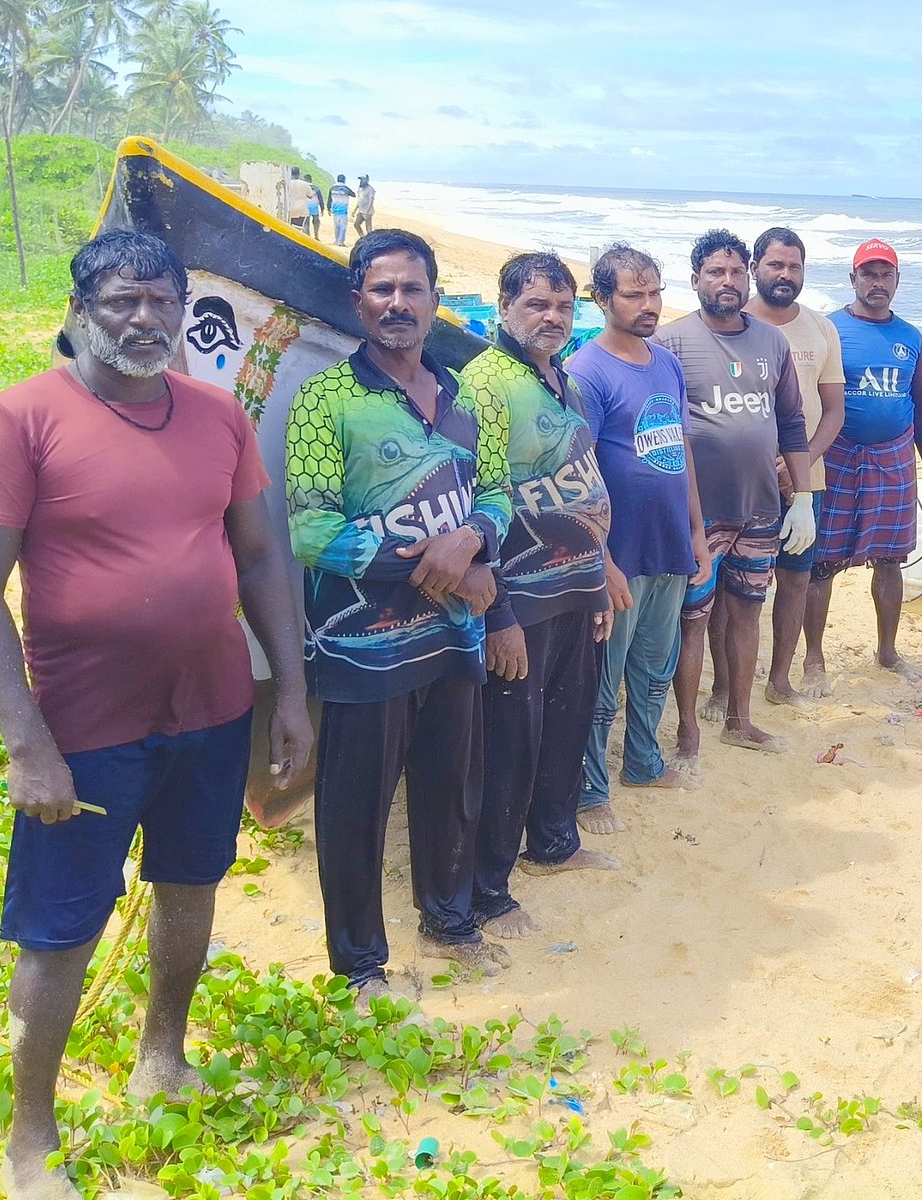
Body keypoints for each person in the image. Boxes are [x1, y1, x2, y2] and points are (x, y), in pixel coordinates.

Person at [0, 229, 313, 1200]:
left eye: (161, 302)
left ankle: (164, 1059)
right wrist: (28, 748)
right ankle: (31, 1142)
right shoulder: (19, 421)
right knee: (60, 931)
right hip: (84, 731)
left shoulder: (217, 417)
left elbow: (260, 559)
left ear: (183, 311)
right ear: (79, 311)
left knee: (192, 885)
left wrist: (290, 694)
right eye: (121, 301)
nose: (144, 319)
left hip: (212, 710)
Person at [287, 228, 513, 997]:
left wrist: (473, 540)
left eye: (412, 289)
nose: (397, 303)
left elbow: (496, 493)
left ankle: (448, 921)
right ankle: (359, 966)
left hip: (454, 637)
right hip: (363, 646)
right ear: (358, 302)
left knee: (451, 788)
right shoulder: (327, 400)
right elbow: (312, 532)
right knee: (354, 809)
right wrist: (440, 566)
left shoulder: (464, 396)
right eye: (381, 289)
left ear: (435, 300)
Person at [461, 252, 618, 939]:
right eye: (536, 304)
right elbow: (479, 500)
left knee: (566, 725)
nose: (552, 317)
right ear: (504, 308)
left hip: (575, 585)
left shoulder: (565, 379)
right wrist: (498, 614)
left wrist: (599, 578)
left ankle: (554, 842)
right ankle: (489, 889)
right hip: (520, 597)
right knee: (509, 746)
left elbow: (585, 479)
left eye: (562, 306)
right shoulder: (485, 385)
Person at [566, 243, 711, 835]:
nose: (649, 304)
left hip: (669, 542)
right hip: (619, 553)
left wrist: (697, 531)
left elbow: (682, 450)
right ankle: (590, 789)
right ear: (602, 299)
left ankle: (644, 764)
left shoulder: (666, 363)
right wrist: (600, 558)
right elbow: (577, 473)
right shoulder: (586, 372)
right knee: (604, 675)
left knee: (654, 665)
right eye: (634, 294)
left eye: (655, 292)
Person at [655, 230, 813, 764]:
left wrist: (803, 498)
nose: (728, 281)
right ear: (695, 279)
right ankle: (687, 733)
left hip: (760, 509)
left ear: (747, 277)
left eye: (736, 272)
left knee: (748, 611)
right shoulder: (670, 344)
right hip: (698, 514)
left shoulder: (772, 343)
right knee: (693, 619)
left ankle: (740, 722)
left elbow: (791, 421)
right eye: (715, 272)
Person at [803, 238, 922, 692]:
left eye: (886, 275)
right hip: (837, 457)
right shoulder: (829, 330)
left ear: (898, 281)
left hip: (893, 459)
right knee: (822, 562)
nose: (877, 282)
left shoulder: (910, 337)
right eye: (869, 274)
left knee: (890, 560)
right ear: (853, 279)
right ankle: (813, 659)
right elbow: (806, 398)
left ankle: (887, 652)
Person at [742, 227, 845, 705]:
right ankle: (724, 688)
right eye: (775, 264)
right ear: (754, 268)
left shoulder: (822, 329)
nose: (785, 274)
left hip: (806, 482)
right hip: (744, 481)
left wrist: (802, 462)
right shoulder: (733, 321)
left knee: (797, 577)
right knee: (737, 588)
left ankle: (780, 680)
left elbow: (834, 410)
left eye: (794, 266)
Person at [329, 173, 356, 246]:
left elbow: (329, 199)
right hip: (343, 210)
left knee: (336, 226)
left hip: (335, 210)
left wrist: (328, 208)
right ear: (344, 180)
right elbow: (353, 195)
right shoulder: (346, 188)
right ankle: (340, 242)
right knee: (343, 227)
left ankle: (336, 240)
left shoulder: (332, 188)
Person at [287, 167, 316, 233]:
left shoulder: (287, 183)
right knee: (297, 230)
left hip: (289, 209)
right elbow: (310, 196)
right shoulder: (305, 184)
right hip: (301, 210)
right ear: (299, 174)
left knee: (288, 229)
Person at [304, 172, 326, 241]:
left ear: (304, 179)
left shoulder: (303, 187)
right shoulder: (316, 188)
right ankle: (316, 236)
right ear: (311, 180)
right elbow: (320, 199)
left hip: (305, 206)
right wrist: (322, 208)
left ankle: (307, 236)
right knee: (316, 221)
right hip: (314, 207)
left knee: (306, 222)